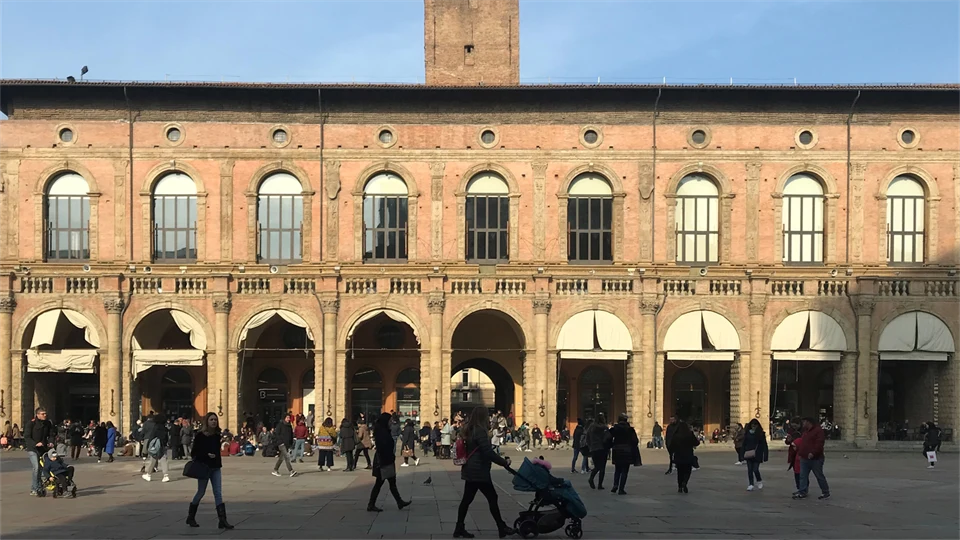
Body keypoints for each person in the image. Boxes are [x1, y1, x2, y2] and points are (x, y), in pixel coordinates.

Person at [453, 407, 514, 539]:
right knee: (492, 497)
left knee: (467, 500)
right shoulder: (480, 431)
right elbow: (487, 451)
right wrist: (504, 462)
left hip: (471, 469)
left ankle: (459, 528)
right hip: (478, 471)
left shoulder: (469, 429)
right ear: (482, 417)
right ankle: (501, 527)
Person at [187, 412, 233, 530]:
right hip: (204, 467)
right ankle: (191, 517)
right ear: (207, 421)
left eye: (215, 420)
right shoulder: (200, 436)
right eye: (211, 419)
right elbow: (194, 453)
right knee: (200, 492)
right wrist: (207, 455)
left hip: (215, 467)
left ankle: (222, 520)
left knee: (218, 493)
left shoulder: (217, 435)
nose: (214, 421)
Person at [367, 412, 411, 512]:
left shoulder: (383, 430)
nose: (391, 422)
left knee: (391, 483)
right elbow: (383, 447)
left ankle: (399, 502)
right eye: (389, 420)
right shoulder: (381, 432)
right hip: (383, 461)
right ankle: (371, 504)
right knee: (380, 483)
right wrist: (388, 459)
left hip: (386, 460)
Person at [793, 417, 830, 500]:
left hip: (816, 458)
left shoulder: (818, 431)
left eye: (804, 422)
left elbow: (819, 443)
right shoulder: (806, 431)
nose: (803, 424)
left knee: (819, 475)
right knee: (803, 476)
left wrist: (813, 453)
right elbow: (803, 442)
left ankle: (825, 492)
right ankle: (802, 492)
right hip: (804, 457)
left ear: (808, 422)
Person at [25, 408, 54, 496]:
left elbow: (51, 434)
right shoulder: (31, 423)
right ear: (37, 415)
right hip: (33, 449)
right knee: (36, 467)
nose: (45, 415)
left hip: (43, 448)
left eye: (45, 414)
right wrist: (35, 443)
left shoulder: (48, 423)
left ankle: (41, 485)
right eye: (43, 414)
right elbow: (27, 436)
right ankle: (34, 488)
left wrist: (51, 442)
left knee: (45, 468)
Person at [609, 413, 639, 495]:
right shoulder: (630, 429)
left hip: (617, 450)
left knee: (617, 470)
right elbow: (635, 441)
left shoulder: (614, 428)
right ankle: (621, 489)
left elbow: (607, 437)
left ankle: (615, 485)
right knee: (624, 471)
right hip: (627, 450)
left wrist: (612, 445)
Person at [670, 418, 699, 494]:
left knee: (680, 472)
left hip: (679, 455)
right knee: (687, 471)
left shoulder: (676, 435)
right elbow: (696, 443)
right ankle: (684, 483)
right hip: (688, 455)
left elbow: (671, 445)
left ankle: (680, 486)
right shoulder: (690, 434)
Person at [742, 419, 769, 491]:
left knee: (755, 469)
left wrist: (765, 455)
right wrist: (742, 454)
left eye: (755, 425)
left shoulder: (761, 434)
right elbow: (744, 444)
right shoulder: (747, 433)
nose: (754, 426)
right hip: (748, 453)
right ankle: (751, 484)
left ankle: (759, 480)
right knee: (750, 470)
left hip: (757, 454)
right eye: (752, 425)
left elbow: (764, 445)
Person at [143, 414, 171, 482]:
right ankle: (165, 475)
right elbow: (166, 437)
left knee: (153, 459)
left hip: (156, 445)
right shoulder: (165, 428)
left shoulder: (155, 427)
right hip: (163, 445)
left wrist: (148, 444)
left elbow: (152, 436)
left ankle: (148, 474)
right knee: (164, 459)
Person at [586, 413, 610, 490]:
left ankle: (591, 478)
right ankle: (600, 485)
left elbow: (587, 437)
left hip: (594, 448)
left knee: (597, 466)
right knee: (602, 468)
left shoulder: (591, 427)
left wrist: (590, 446)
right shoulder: (605, 428)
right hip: (603, 449)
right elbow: (608, 438)